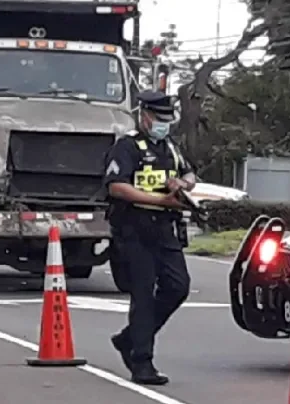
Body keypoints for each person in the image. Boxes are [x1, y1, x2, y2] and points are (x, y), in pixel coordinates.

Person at [102, 90, 195, 386]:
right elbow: (117, 186)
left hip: (165, 227)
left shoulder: (170, 148)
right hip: (134, 226)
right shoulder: (127, 147)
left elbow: (191, 174)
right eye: (157, 118)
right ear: (143, 115)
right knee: (143, 293)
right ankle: (142, 361)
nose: (162, 125)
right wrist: (158, 201)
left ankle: (129, 338)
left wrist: (182, 183)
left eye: (167, 120)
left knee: (178, 286)